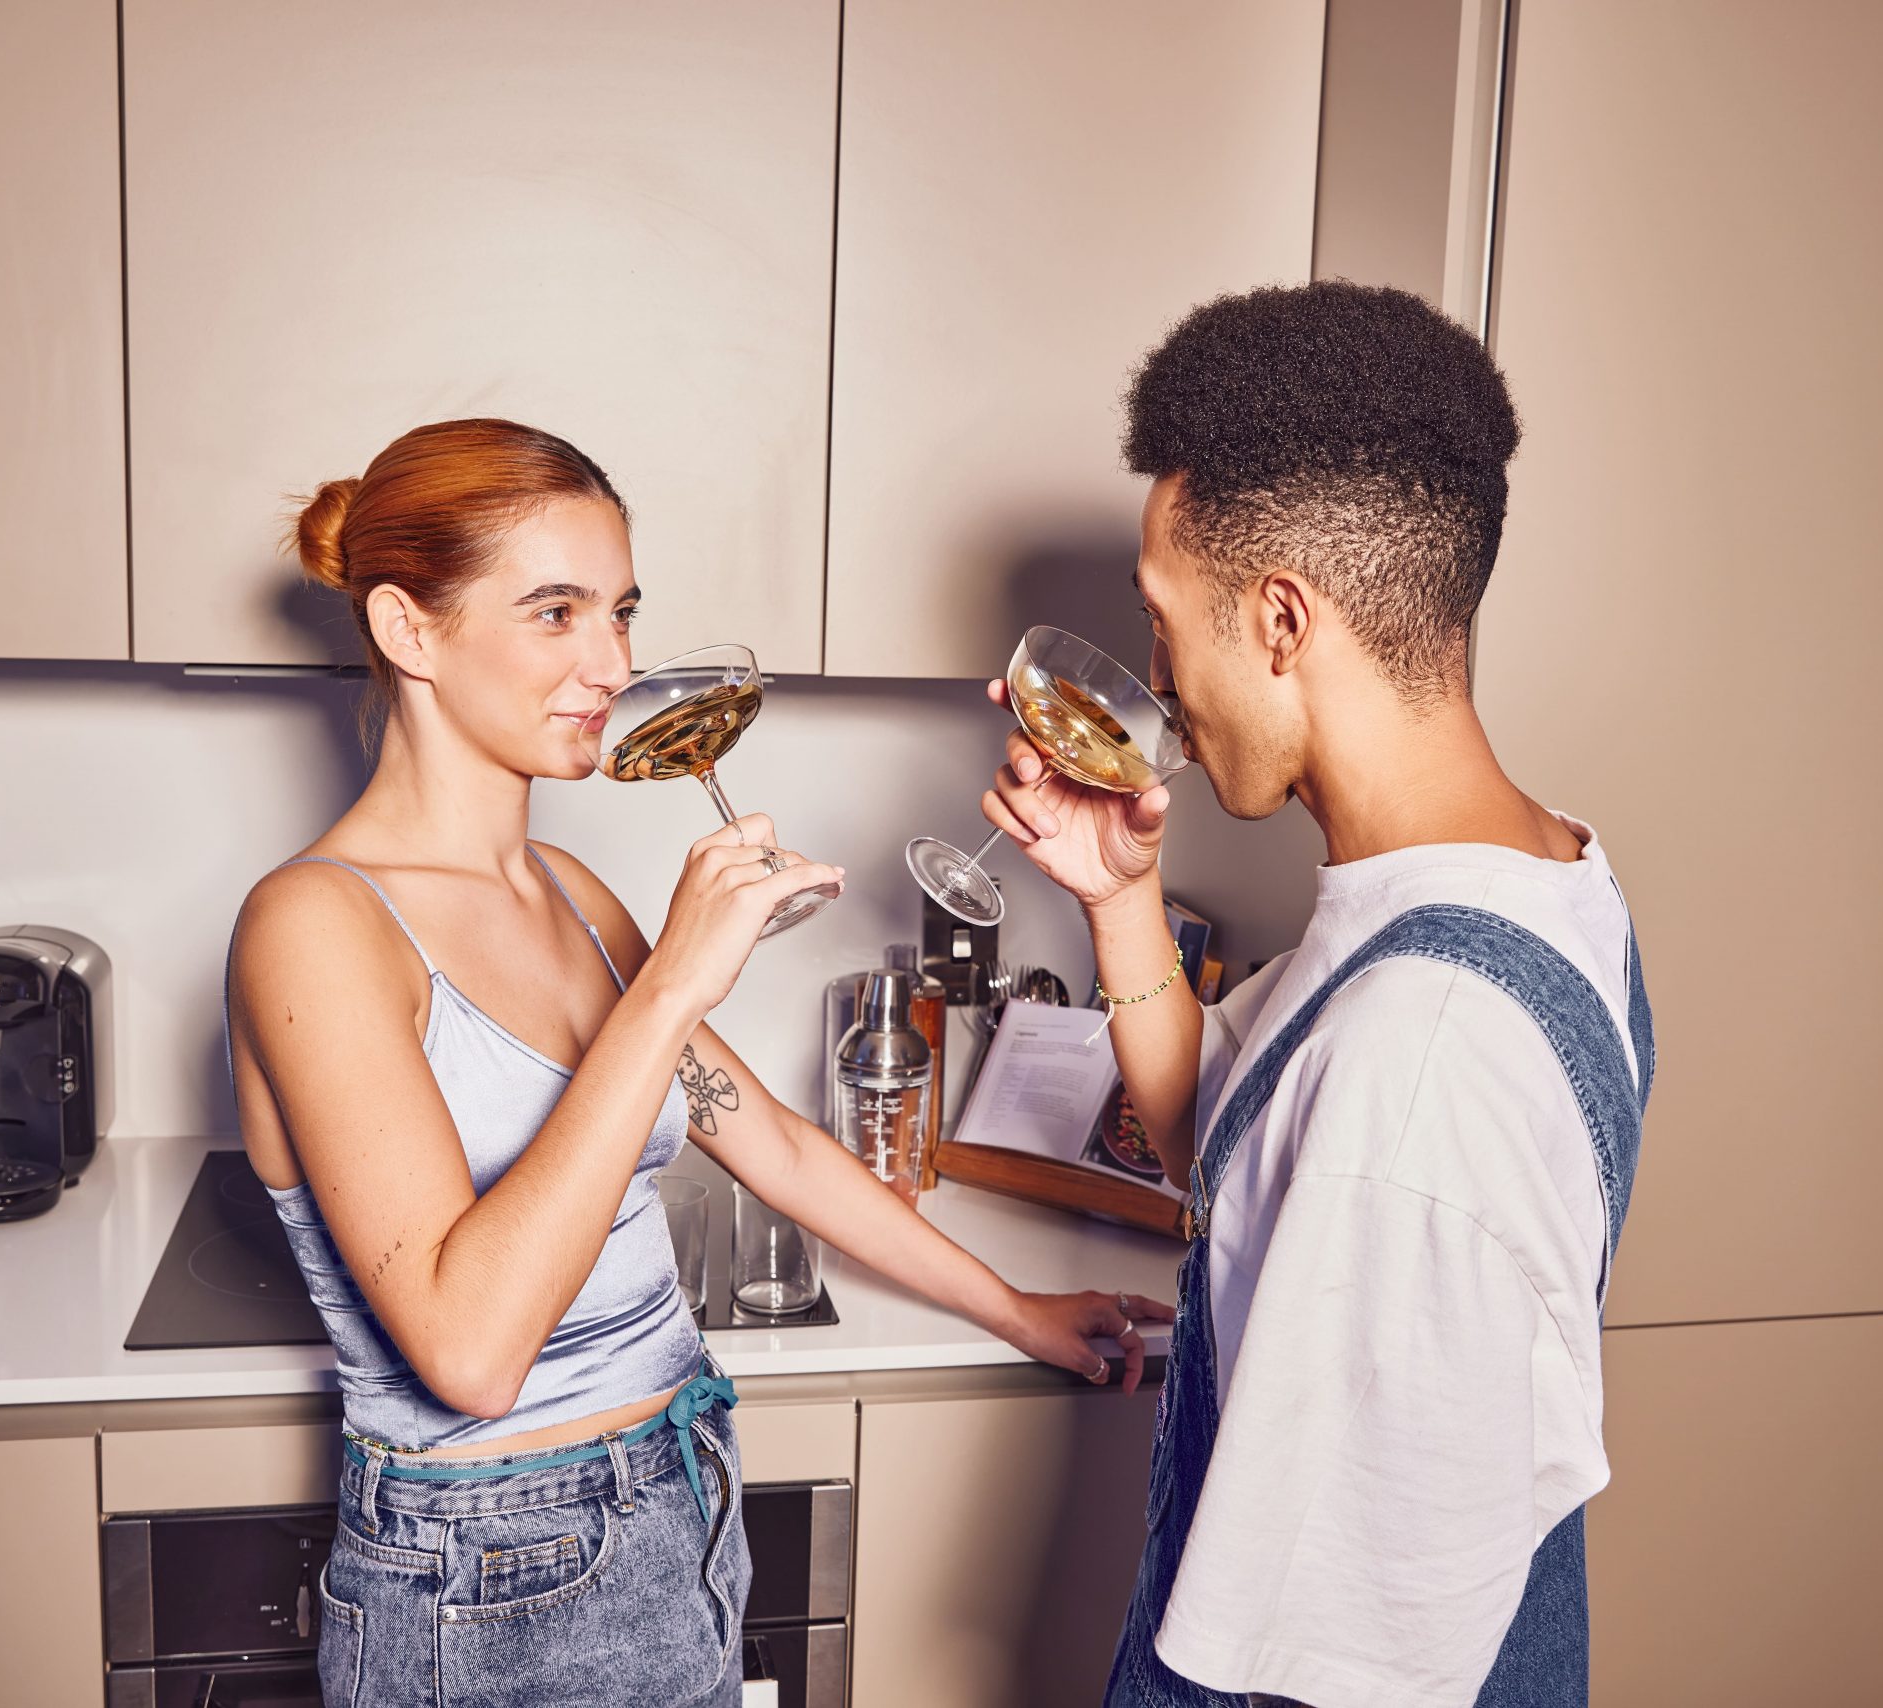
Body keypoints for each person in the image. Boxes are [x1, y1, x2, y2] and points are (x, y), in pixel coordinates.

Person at [225, 418, 1164, 1708]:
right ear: (407, 629)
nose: (612, 663)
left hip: (678, 1497)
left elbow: (768, 1138)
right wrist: (671, 983)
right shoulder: (316, 925)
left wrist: (1016, 1311)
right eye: (554, 613)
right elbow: (470, 1353)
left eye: (621, 612)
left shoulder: (569, 893)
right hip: (485, 1575)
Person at [979, 282, 1654, 1708]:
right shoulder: (1534, 881)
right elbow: (1213, 1145)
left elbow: (1353, 1674)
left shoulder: (1418, 1062)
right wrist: (1116, 898)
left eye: (1167, 624)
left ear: (1281, 621)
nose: (1157, 681)